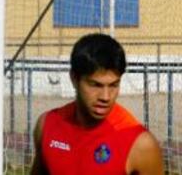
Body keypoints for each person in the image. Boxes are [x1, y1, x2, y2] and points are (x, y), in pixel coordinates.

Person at [31, 33, 164, 175]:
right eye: (95, 85)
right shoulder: (47, 125)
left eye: (113, 85)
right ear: (74, 79)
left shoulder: (141, 144)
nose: (106, 97)